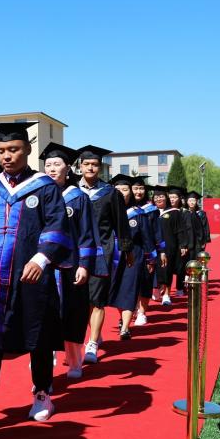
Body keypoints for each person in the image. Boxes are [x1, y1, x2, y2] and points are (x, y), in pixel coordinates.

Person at [0, 122, 70, 429]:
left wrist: (42, 258)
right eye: (1, 151)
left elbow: (57, 227)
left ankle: (42, 394)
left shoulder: (44, 187)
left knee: (38, 334)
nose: (6, 156)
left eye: (13, 149)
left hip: (31, 276)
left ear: (28, 149)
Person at [39, 143, 103, 379]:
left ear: (68, 168)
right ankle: (44, 361)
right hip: (44, 266)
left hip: (71, 266)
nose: (51, 169)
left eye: (57, 164)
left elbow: (87, 233)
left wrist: (85, 265)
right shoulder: (38, 195)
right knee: (43, 315)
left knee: (73, 315)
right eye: (48, 165)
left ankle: (74, 361)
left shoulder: (78, 198)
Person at [76, 146, 132, 364]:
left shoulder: (110, 193)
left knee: (97, 298)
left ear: (100, 167)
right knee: (82, 300)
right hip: (76, 251)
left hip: (102, 251)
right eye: (86, 164)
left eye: (95, 164)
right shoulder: (71, 191)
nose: (90, 168)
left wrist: (126, 249)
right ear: (80, 166)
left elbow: (121, 223)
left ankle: (92, 343)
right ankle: (93, 334)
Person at [107, 174, 156, 340]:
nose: (121, 193)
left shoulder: (138, 213)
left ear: (130, 192)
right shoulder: (106, 212)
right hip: (112, 256)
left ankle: (125, 327)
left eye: (125, 189)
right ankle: (122, 317)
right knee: (116, 290)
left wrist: (150, 258)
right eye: (118, 189)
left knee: (129, 289)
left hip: (133, 257)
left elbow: (147, 238)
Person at [130, 176, 164, 327]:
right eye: (135, 188)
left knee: (145, 282)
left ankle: (142, 312)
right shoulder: (125, 209)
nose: (138, 191)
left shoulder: (151, 209)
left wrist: (162, 251)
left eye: (141, 188)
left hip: (148, 251)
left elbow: (157, 232)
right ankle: (131, 309)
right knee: (130, 283)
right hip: (130, 251)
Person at [152, 186, 179, 306]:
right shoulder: (150, 211)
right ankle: (156, 289)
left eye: (161, 196)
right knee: (153, 269)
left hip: (168, 246)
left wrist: (182, 245)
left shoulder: (174, 212)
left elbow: (179, 230)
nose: (158, 199)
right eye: (156, 196)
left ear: (166, 198)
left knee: (167, 269)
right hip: (152, 246)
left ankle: (167, 294)